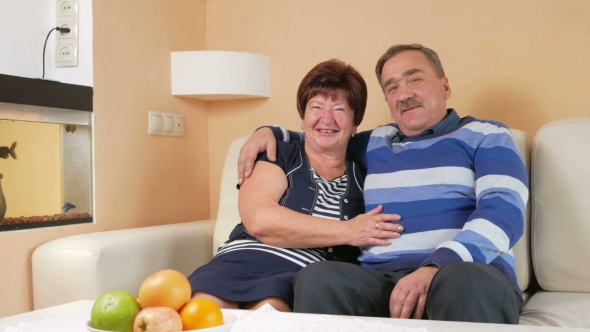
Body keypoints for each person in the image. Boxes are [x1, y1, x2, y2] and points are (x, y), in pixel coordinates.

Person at [236, 44, 529, 324]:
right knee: (319, 278)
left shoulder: (486, 135)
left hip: (463, 272)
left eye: (415, 79)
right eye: (392, 87)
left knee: (464, 281)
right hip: (382, 282)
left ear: (445, 86)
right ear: (388, 103)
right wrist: (269, 132)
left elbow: (504, 211)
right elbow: (326, 135)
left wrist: (435, 267)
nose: (404, 94)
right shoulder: (376, 142)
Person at [187, 59, 404, 312]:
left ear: (355, 124)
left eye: (339, 110)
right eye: (316, 107)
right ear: (302, 118)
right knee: (204, 313)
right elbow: (260, 219)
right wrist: (349, 231)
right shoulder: (277, 152)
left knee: (269, 315)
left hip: (303, 276)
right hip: (240, 260)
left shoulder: (366, 171)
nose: (327, 118)